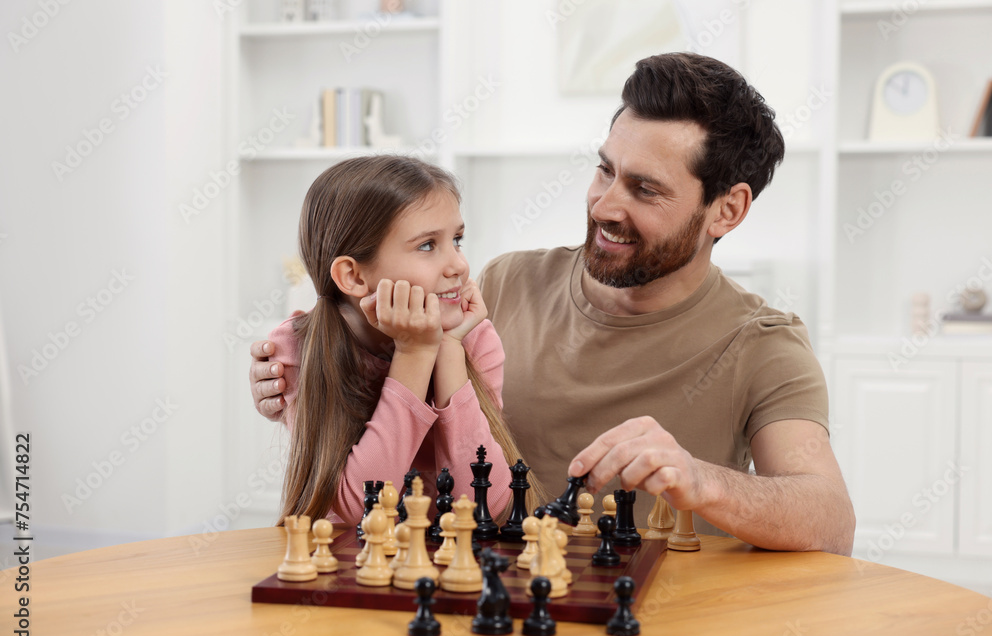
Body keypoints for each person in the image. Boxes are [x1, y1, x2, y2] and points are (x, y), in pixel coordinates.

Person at [252, 53, 855, 555]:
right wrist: (299, 381)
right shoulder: (504, 282)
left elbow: (830, 522)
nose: (603, 205)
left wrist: (700, 480)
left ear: (727, 210)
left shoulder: (763, 343)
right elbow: (378, 438)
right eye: (605, 171)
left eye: (644, 189)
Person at [269, 155, 541, 526]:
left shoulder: (474, 340)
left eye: (457, 240)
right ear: (353, 276)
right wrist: (414, 353)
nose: (458, 265)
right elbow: (361, 509)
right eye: (428, 245)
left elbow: (485, 505)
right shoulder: (297, 348)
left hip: (449, 563)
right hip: (353, 565)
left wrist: (447, 349)